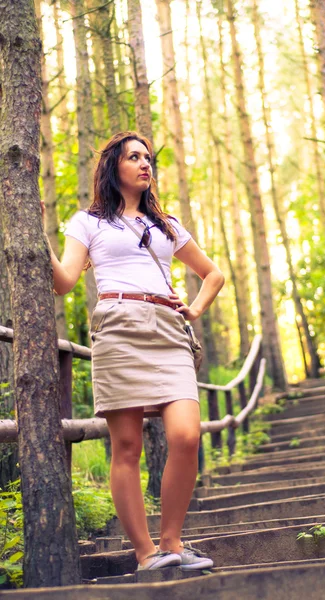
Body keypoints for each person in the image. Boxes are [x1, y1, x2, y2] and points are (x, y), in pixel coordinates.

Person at [42, 131, 224, 572]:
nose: (145, 164)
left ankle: (173, 541)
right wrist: (37, 233)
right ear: (113, 167)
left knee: (185, 435)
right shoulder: (89, 222)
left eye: (148, 158)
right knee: (126, 446)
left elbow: (213, 273)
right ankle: (146, 554)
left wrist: (195, 308)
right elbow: (64, 281)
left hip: (168, 330)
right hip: (119, 327)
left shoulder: (165, 225)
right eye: (134, 157)